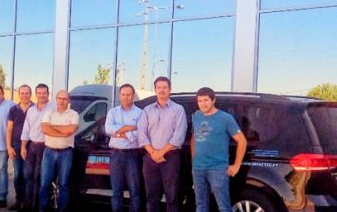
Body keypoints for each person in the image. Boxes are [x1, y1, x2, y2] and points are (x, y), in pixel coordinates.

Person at [191, 87, 247, 212]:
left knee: (224, 207)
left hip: (218, 169)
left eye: (206, 100)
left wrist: (236, 166)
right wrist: (193, 162)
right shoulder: (197, 117)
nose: (203, 104)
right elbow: (194, 139)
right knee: (200, 206)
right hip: (198, 169)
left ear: (213, 100)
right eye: (200, 101)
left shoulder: (225, 118)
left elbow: (242, 140)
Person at [138, 76, 187, 212]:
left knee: (172, 196)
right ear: (155, 90)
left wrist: (161, 152)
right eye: (159, 87)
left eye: (165, 87)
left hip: (170, 158)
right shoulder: (147, 110)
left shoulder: (178, 109)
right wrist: (153, 153)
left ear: (170, 90)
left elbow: (179, 136)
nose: (161, 90)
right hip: (150, 158)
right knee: (151, 197)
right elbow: (141, 133)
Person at [39, 90, 79, 212]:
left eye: (65, 98)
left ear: (69, 100)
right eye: (60, 98)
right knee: (44, 183)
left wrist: (52, 127)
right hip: (49, 153)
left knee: (64, 184)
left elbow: (70, 130)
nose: (62, 101)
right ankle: (43, 209)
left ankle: (61, 210)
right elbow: (44, 129)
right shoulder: (49, 113)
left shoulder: (74, 114)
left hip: (66, 153)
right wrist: (62, 132)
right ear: (56, 99)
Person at [105, 84, 142, 212]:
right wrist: (128, 128)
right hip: (115, 155)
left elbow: (140, 133)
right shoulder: (113, 112)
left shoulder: (140, 113)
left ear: (133, 96)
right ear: (119, 96)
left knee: (135, 192)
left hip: (133, 155)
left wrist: (118, 133)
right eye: (123, 94)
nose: (126, 97)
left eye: (129, 94)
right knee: (116, 192)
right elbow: (108, 129)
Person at [21, 83, 54, 212]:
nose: (41, 95)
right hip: (32, 147)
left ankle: (36, 206)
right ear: (36, 94)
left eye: (44, 93)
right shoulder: (31, 110)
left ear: (48, 94)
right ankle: (27, 206)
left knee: (39, 178)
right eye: (39, 93)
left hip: (46, 147)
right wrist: (23, 147)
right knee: (28, 176)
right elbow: (26, 129)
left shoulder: (53, 109)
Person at [6, 84, 34, 211]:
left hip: (31, 146)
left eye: (27, 93)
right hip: (16, 145)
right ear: (19, 95)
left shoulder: (35, 108)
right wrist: (9, 147)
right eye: (22, 93)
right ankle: (19, 200)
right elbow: (9, 129)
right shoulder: (13, 109)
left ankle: (28, 202)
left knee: (28, 174)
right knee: (18, 175)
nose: (24, 96)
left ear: (30, 94)